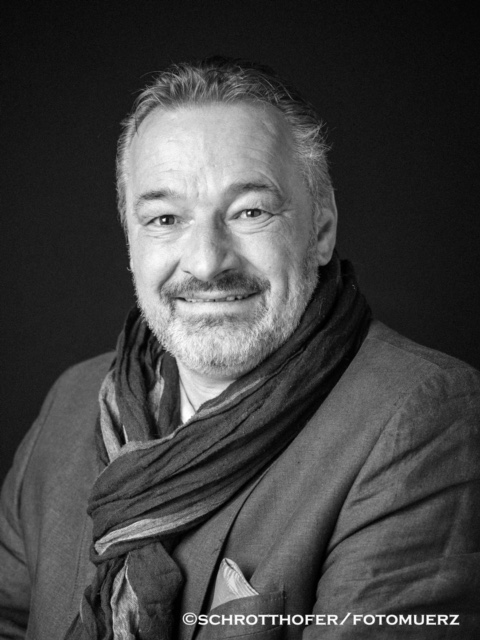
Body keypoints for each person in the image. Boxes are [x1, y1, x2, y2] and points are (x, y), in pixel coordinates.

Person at [1, 56, 479, 640]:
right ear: (130, 237)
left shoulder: (424, 417)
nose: (206, 262)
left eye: (249, 211)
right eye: (165, 218)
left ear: (321, 228)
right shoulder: (71, 402)